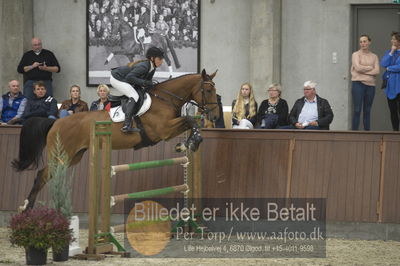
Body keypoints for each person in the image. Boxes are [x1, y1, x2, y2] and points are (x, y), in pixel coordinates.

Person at [110, 46, 164, 133]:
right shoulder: (144, 66)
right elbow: (130, 77)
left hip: (124, 78)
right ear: (152, 58)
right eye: (160, 59)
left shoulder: (152, 68)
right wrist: (146, 83)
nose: (162, 61)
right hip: (117, 78)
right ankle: (126, 125)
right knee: (134, 95)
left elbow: (147, 83)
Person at [351, 35, 380, 131]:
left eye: (364, 41)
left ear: (369, 42)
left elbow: (377, 71)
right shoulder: (355, 54)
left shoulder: (374, 56)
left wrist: (363, 69)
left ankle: (367, 133)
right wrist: (369, 68)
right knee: (357, 110)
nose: (362, 43)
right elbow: (357, 68)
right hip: (357, 84)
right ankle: (354, 132)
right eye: (361, 42)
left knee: (367, 111)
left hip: (370, 86)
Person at [381, 32, 400, 131]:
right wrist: (391, 52)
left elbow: (399, 67)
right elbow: (383, 63)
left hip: (399, 85)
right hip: (391, 87)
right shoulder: (390, 52)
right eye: (391, 39)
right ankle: (395, 131)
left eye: (394, 39)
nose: (391, 41)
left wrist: (389, 68)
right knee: (393, 111)